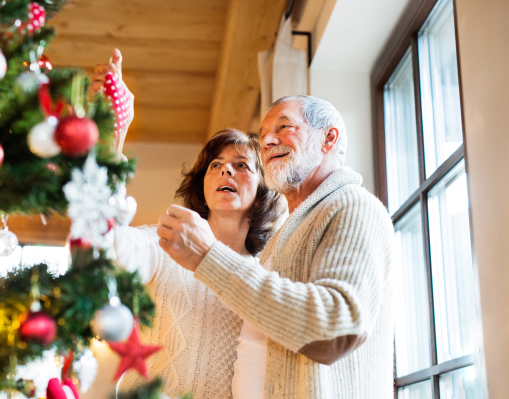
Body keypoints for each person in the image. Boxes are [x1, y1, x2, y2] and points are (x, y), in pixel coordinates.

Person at [158, 95, 396, 398]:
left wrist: (209, 257)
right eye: (264, 133)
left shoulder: (353, 206)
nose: (267, 140)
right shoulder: (283, 237)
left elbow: (336, 325)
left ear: (328, 138)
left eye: (284, 127)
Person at [90, 52, 285, 398]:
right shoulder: (164, 242)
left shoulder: (265, 276)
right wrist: (111, 141)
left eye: (241, 165)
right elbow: (112, 251)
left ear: (261, 191)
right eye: (216, 165)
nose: (226, 170)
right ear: (203, 185)